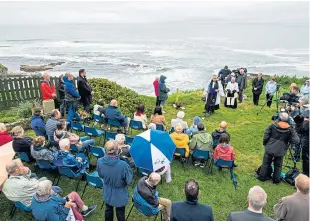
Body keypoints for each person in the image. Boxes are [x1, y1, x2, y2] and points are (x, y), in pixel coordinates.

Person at [258, 112, 300, 184]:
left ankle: (262, 177)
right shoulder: (290, 129)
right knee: (278, 165)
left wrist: (265, 143)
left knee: (266, 163)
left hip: (270, 148)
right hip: (281, 150)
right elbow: (296, 140)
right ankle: (276, 180)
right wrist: (289, 141)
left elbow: (266, 135)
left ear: (279, 118)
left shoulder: (273, 125)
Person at [96, 141, 133, 221]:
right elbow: (128, 180)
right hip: (120, 192)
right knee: (120, 212)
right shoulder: (123, 165)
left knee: (108, 208)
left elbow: (100, 175)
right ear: (117, 150)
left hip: (107, 190)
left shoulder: (99, 161)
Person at [31, 180, 96, 221]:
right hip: (60, 215)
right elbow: (61, 219)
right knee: (72, 207)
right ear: (47, 191)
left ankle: (84, 210)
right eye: (51, 188)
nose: (52, 189)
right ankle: (80, 217)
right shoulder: (48, 209)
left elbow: (57, 199)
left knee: (73, 195)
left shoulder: (36, 196)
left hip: (57, 208)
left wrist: (65, 201)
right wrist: (66, 207)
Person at [300, 110, 309, 176]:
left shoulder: (307, 123)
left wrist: (305, 121)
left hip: (307, 143)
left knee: (306, 158)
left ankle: (306, 173)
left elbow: (302, 130)